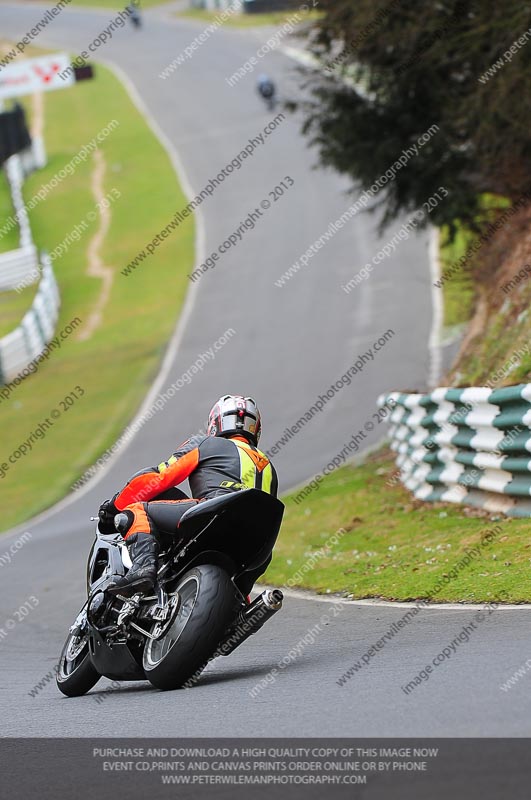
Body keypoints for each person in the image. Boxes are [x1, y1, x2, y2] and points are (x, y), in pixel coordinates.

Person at [98, 395, 278, 596]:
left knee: (136, 511)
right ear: (256, 429)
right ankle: (241, 607)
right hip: (260, 546)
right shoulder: (268, 465)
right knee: (238, 596)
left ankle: (143, 568)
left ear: (215, 423)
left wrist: (114, 506)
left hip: (215, 515)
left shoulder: (206, 443)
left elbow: (159, 479)